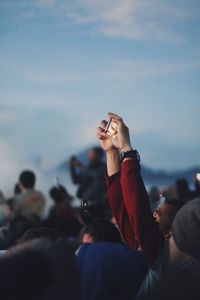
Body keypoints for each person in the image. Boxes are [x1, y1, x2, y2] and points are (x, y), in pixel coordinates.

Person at [96, 112, 184, 297]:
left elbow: (138, 210)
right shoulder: (140, 249)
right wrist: (111, 152)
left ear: (173, 232)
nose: (155, 211)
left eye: (165, 207)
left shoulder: (163, 256)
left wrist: (127, 150)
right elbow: (121, 208)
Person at [69, 147, 108, 218]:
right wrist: (72, 168)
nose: (90, 156)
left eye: (92, 154)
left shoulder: (103, 167)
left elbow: (95, 175)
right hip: (85, 203)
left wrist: (81, 167)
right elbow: (75, 181)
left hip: (99, 204)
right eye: (89, 154)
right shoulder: (87, 168)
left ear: (99, 156)